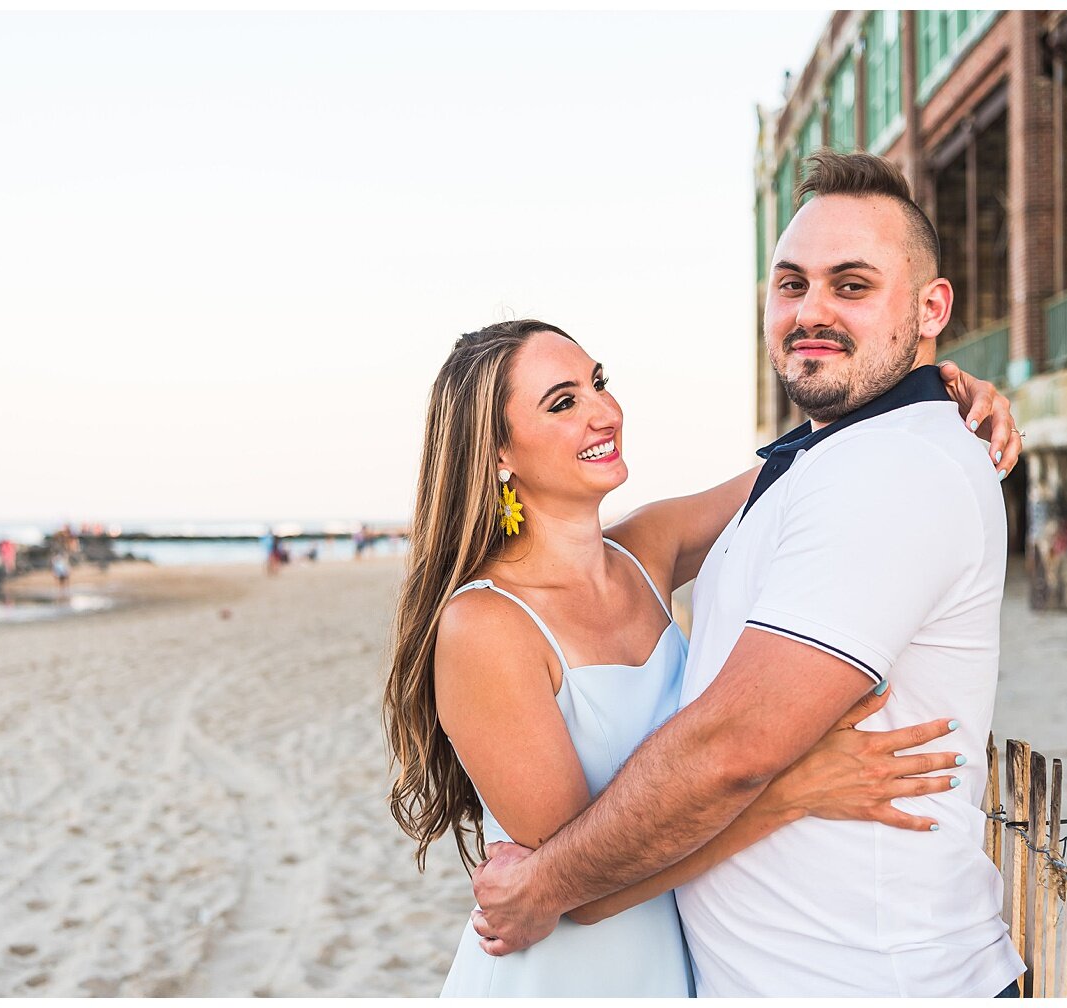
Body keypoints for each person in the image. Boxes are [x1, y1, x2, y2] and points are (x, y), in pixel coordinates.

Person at [465, 151, 1027, 997]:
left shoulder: (888, 467)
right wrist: (922, 382)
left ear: (929, 307)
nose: (811, 311)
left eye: (852, 285)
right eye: (791, 284)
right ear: (496, 453)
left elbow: (731, 748)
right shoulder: (809, 467)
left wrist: (932, 387)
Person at [384, 324, 1022, 988]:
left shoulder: (645, 549)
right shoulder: (484, 626)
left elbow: (812, 467)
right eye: (563, 402)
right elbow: (580, 885)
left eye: (598, 383)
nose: (604, 412)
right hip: (569, 974)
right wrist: (790, 792)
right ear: (496, 455)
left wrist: (932, 403)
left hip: (683, 966)